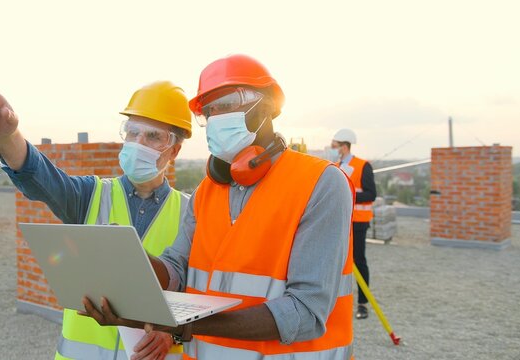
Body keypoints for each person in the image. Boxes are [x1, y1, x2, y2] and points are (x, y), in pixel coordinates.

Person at [81, 54, 356, 359]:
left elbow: (305, 312)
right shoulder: (206, 192)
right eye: (208, 112)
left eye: (224, 105)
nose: (214, 118)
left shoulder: (321, 183)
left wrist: (185, 325)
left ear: (265, 108)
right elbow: (177, 271)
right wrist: (133, 258)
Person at [0, 74, 193, 360]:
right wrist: (7, 136)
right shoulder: (91, 195)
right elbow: (40, 176)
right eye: (132, 132)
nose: (138, 143)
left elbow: (198, 295)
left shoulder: (191, 213)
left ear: (174, 149)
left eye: (152, 136)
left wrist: (171, 331)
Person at [330, 129, 377, 320]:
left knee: (359, 260)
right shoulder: (334, 166)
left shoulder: (363, 165)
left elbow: (371, 194)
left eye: (334, 146)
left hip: (358, 222)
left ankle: (362, 304)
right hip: (340, 220)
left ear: (344, 146)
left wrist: (348, 194)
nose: (332, 149)